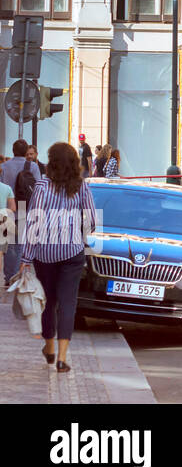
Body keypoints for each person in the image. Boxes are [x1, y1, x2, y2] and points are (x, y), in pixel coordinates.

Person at [19, 142, 97, 372]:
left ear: (51, 162)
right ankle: (63, 358)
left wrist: (25, 258)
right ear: (74, 163)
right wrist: (77, 234)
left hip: (45, 255)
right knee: (67, 304)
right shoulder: (81, 187)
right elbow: (92, 220)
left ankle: (50, 348)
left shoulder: (42, 187)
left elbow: (34, 223)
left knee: (49, 302)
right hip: (72, 253)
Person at [0, 140, 31, 283]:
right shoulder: (33, 166)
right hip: (24, 208)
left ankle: (8, 276)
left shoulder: (4, 166)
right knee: (20, 245)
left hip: (7, 210)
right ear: (26, 152)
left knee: (8, 245)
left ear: (12, 151)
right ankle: (16, 275)